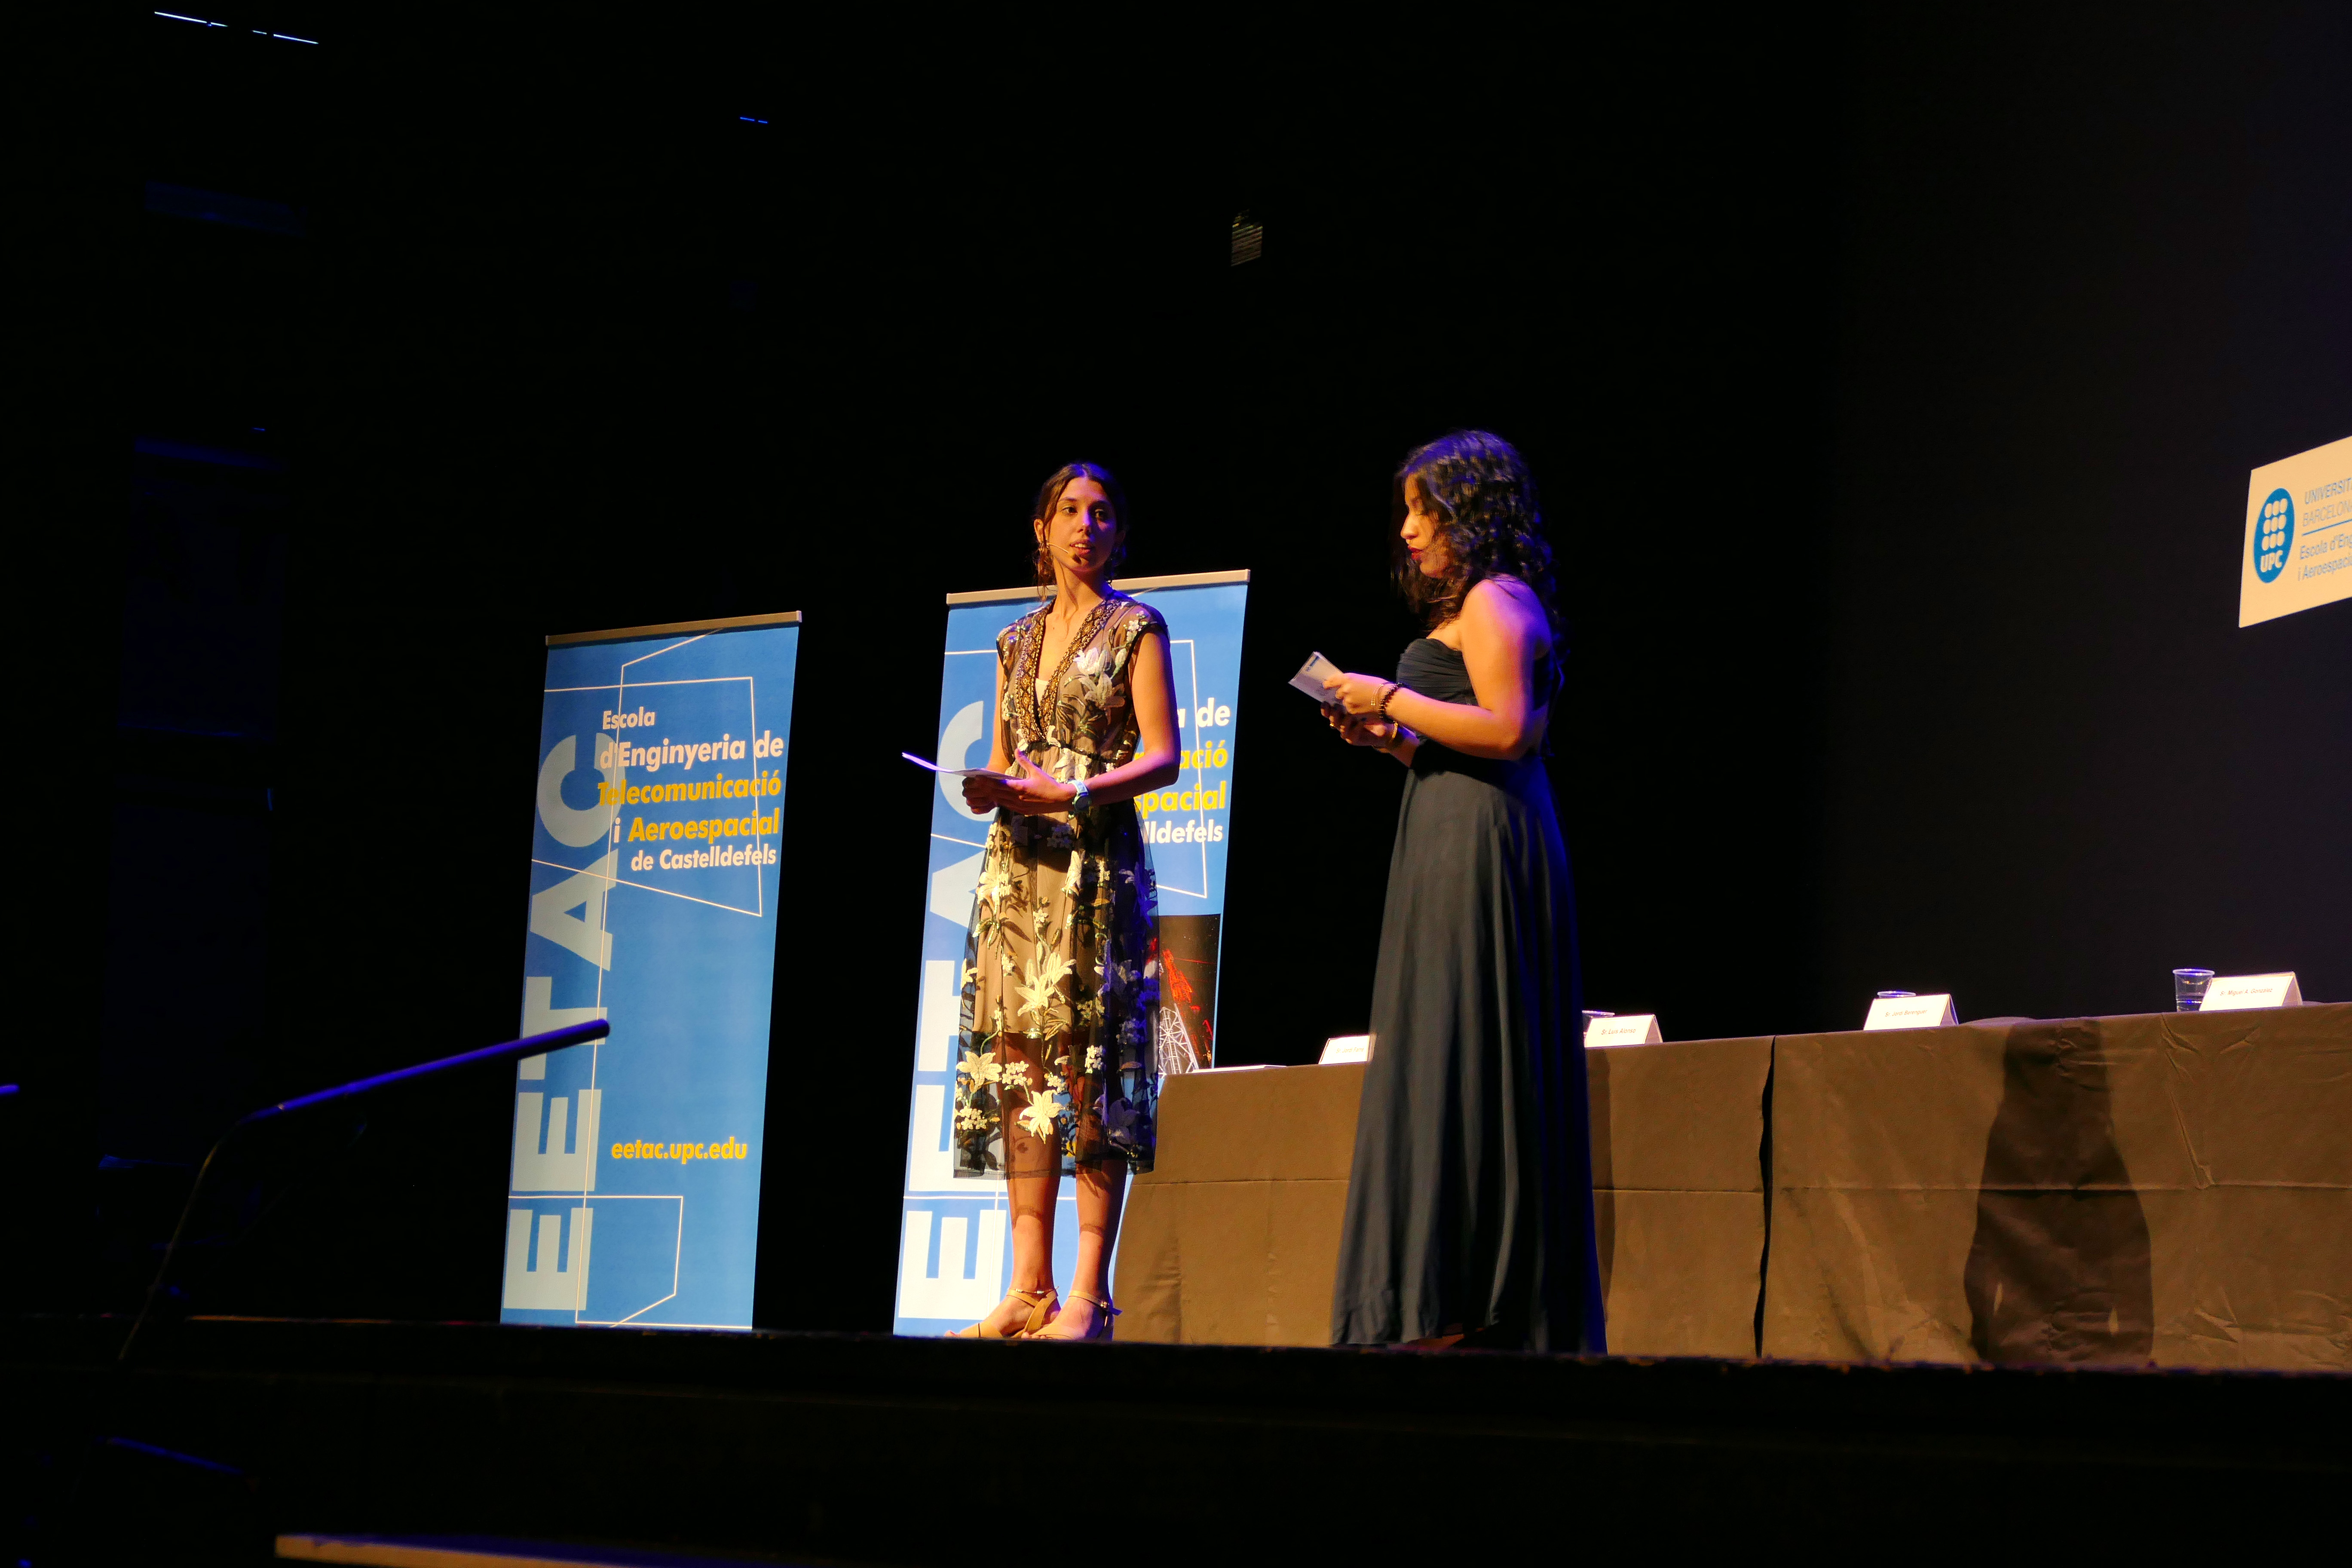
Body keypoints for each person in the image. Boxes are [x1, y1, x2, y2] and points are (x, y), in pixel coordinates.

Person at [1320, 430, 1606, 1354]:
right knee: (1444, 1049)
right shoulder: (1474, 604)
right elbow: (1459, 743)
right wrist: (1391, 742)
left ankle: (1482, 1301)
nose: (1408, 531)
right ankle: (1438, 1298)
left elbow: (1512, 731)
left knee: (1475, 1046)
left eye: (1424, 511)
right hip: (1445, 832)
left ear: (1470, 514)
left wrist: (1388, 699)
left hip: (1486, 845)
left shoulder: (1497, 598)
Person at [947, 461, 1182, 1341]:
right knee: (1020, 1067)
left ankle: (1088, 1294)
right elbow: (1007, 758)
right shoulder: (1013, 641)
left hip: (1095, 867)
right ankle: (1027, 1286)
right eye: (1071, 511)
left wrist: (1076, 792)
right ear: (1041, 531)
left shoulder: (1136, 627)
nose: (1088, 526)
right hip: (1018, 872)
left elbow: (1165, 757)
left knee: (1090, 1067)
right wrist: (990, 788)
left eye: (1103, 512)